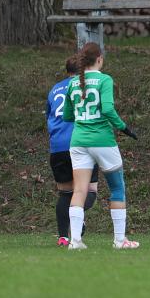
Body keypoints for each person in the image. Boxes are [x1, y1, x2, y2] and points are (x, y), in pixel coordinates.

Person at [63, 42, 140, 250]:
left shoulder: (72, 83)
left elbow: (68, 115)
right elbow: (107, 109)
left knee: (79, 190)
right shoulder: (105, 79)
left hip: (78, 142)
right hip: (103, 141)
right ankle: (119, 240)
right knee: (117, 188)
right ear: (99, 59)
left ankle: (75, 241)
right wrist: (123, 127)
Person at [47, 55, 99, 246]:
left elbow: (50, 116)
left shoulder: (54, 89)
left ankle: (62, 236)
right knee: (90, 190)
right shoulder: (83, 86)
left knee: (65, 193)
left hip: (58, 146)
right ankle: (78, 216)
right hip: (80, 142)